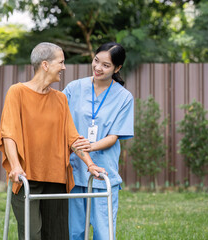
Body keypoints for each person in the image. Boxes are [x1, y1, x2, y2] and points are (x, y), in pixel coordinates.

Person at [0, 42, 106, 240]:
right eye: (61, 62)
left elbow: (72, 138)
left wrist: (90, 164)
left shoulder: (60, 99)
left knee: (57, 235)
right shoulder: (17, 92)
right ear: (45, 65)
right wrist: (15, 166)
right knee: (32, 234)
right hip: (26, 177)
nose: (64, 67)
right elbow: (9, 134)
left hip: (56, 178)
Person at [63, 42, 134, 240]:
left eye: (106, 65)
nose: (98, 68)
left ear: (117, 68)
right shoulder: (73, 88)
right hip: (75, 170)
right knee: (74, 232)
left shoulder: (124, 97)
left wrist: (90, 146)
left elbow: (114, 136)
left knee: (104, 233)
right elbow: (60, 123)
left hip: (103, 173)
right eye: (96, 61)